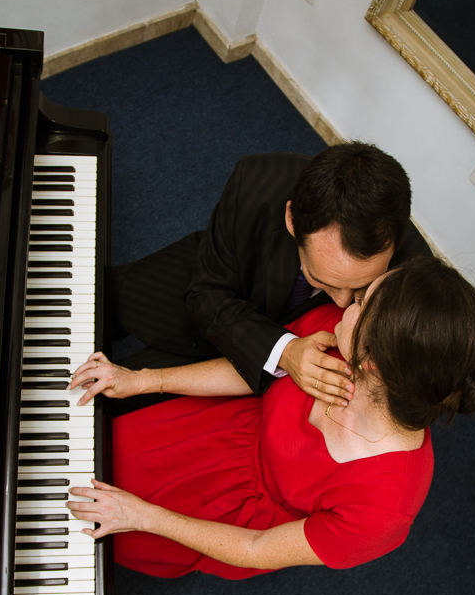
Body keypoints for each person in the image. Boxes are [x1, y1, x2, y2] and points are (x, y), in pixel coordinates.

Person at [69, 257, 475, 580]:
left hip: (227, 518)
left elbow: (256, 547)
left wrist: (142, 516)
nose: (347, 301)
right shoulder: (337, 336)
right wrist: (144, 380)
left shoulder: (384, 509)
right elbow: (255, 368)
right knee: (76, 453)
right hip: (208, 429)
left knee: (88, 543)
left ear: (376, 365)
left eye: (361, 303)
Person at [107, 143, 432, 412]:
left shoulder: (412, 274)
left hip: (266, 374)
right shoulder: (255, 184)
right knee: (100, 298)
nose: (344, 303)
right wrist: (284, 351)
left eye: (361, 287)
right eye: (327, 280)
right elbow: (206, 293)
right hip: (211, 287)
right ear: (292, 219)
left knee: (111, 409)